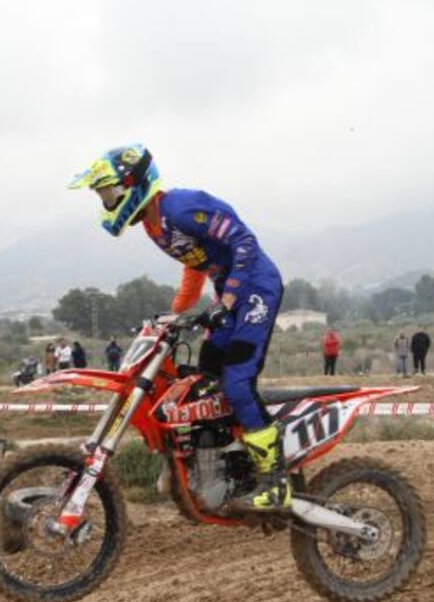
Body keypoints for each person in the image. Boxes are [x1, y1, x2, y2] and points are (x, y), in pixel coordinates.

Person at [70, 143, 289, 511]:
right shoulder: (154, 226)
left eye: (108, 193)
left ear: (132, 184)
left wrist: (228, 299)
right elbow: (194, 262)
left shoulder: (181, 207)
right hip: (227, 293)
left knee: (237, 381)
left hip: (256, 288)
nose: (106, 202)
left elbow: (244, 242)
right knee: (205, 379)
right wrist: (174, 315)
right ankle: (228, 463)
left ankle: (276, 481)